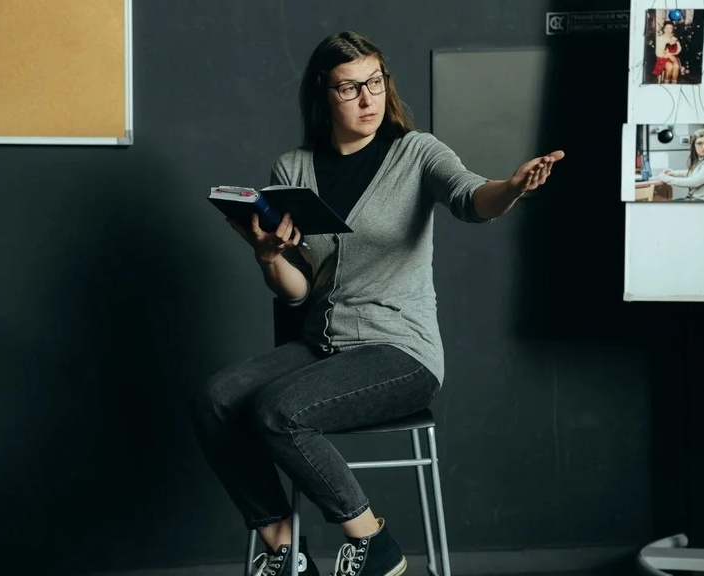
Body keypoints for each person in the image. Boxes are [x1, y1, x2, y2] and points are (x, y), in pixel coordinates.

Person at [191, 31, 564, 576]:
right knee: (215, 399)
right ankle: (286, 551)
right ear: (323, 95)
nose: (368, 99)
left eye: (375, 82)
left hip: (399, 351)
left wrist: (511, 186)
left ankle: (373, 542)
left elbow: (470, 197)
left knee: (277, 410)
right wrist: (267, 255)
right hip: (321, 345)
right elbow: (299, 289)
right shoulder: (293, 169)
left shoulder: (417, 153)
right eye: (350, 88)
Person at [657, 128, 704, 201]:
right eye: (699, 143)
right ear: (694, 145)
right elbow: (696, 172)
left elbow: (693, 182)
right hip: (697, 199)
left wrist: (666, 179)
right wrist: (673, 173)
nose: (703, 147)